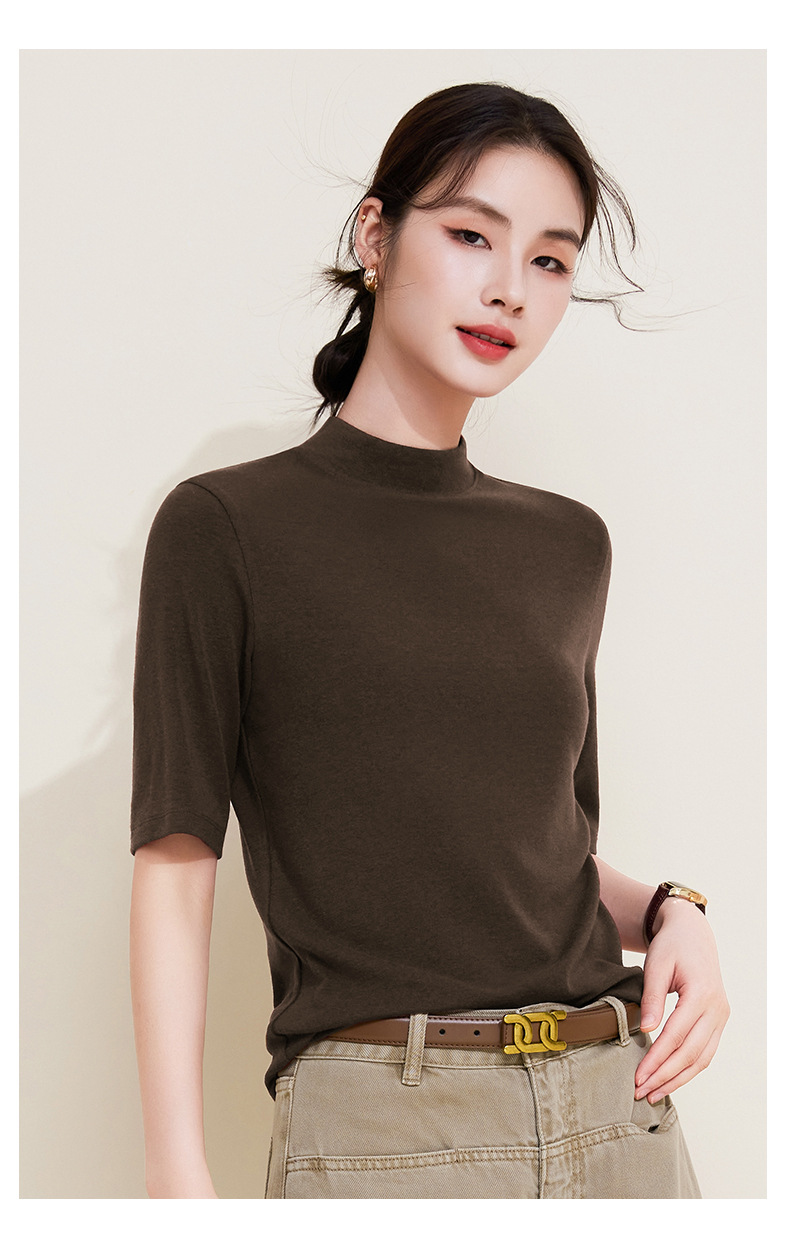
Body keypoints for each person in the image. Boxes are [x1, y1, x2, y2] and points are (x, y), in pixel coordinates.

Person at [129, 82, 729, 1200]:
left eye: (550, 261)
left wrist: (669, 911)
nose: (510, 289)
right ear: (375, 235)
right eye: (469, 236)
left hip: (620, 1109)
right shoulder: (227, 527)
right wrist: (176, 1173)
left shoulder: (567, 544)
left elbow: (517, 850)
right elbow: (175, 858)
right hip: (386, 1126)